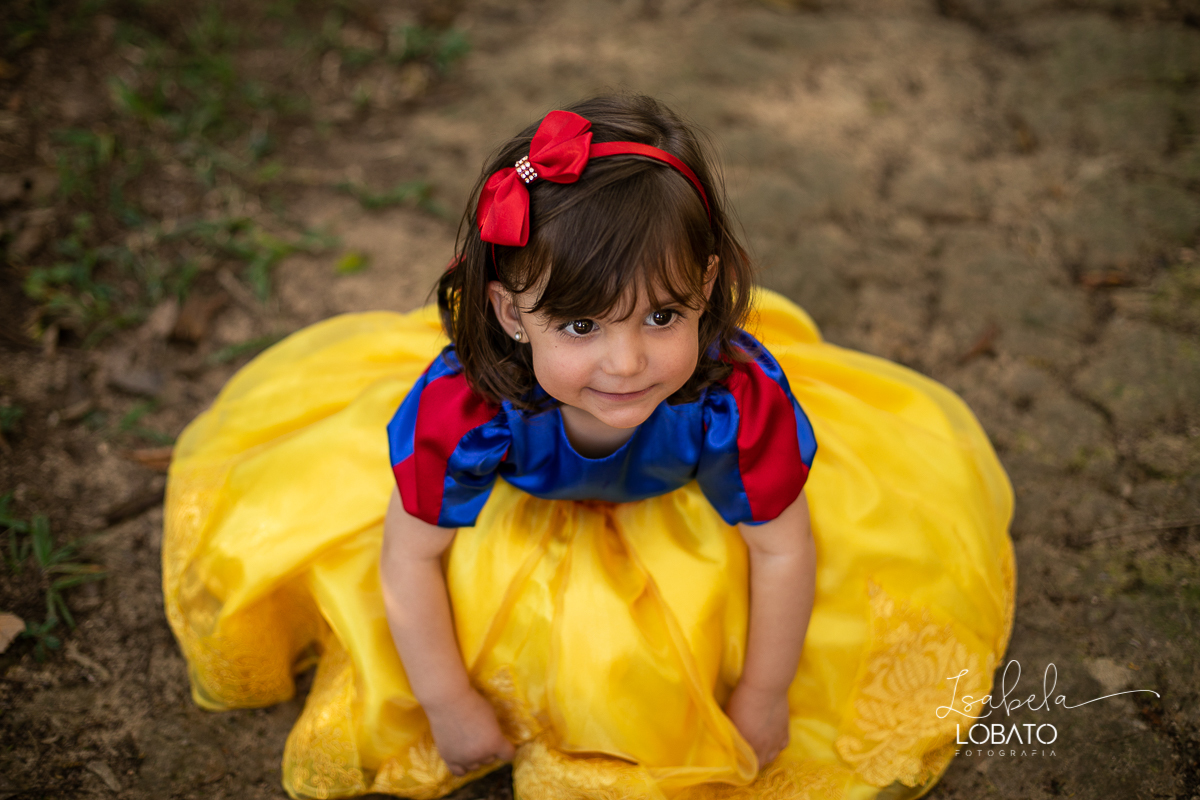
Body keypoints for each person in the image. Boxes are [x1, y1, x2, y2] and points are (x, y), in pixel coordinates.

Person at [163, 95, 1015, 800]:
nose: (627, 361)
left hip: (683, 521)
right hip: (519, 521)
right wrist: (448, 701)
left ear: (706, 288)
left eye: (662, 315)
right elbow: (408, 561)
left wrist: (761, 692)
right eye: (579, 325)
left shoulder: (731, 401)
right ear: (508, 314)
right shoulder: (467, 410)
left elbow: (783, 548)